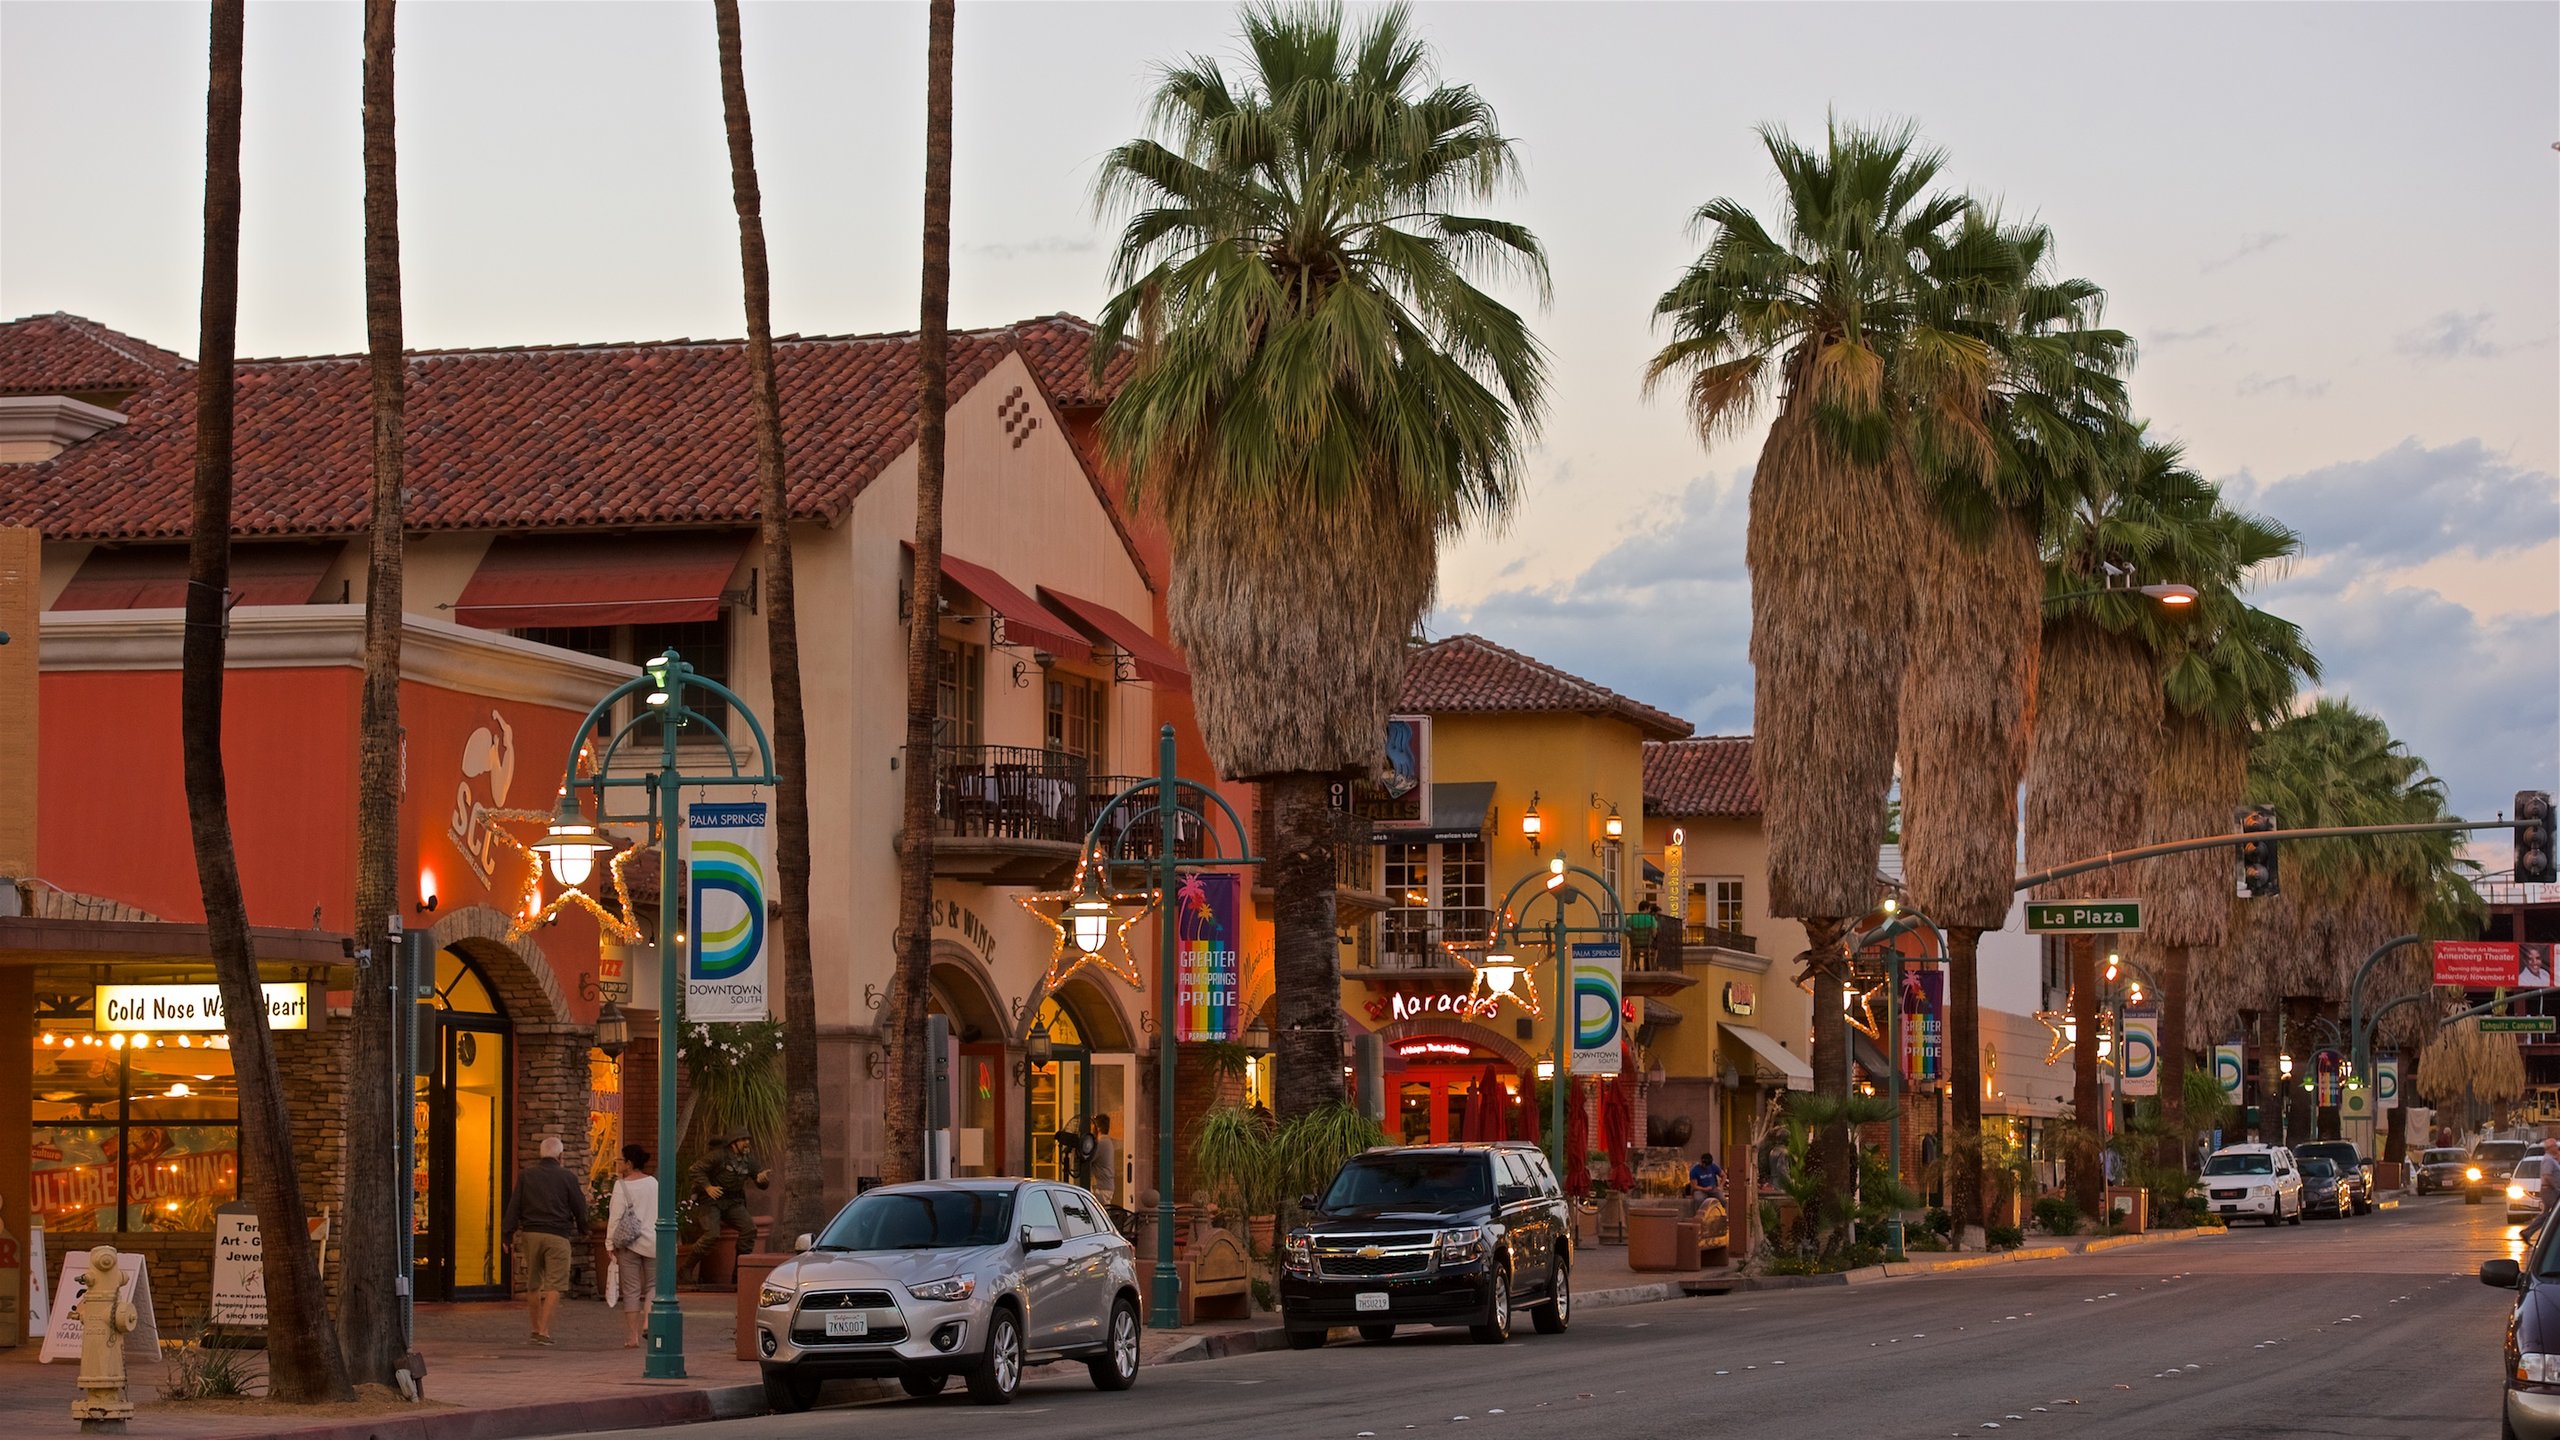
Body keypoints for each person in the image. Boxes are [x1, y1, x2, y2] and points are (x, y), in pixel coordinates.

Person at [501, 1134, 586, 1346]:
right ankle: (545, 1331)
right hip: (557, 1235)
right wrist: (584, 1229)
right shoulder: (568, 1177)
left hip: (531, 1234)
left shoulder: (526, 1176)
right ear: (561, 1155)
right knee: (554, 1284)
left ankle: (535, 1327)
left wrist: (507, 1234)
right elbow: (579, 1207)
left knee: (533, 1283)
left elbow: (514, 1205)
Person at [687, 1129, 770, 1274]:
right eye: (743, 1140)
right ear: (733, 1143)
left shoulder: (749, 1160)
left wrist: (761, 1180)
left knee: (749, 1230)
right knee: (711, 1235)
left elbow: (761, 1181)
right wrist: (708, 1187)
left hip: (733, 1202)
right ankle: (686, 1269)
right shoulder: (718, 1156)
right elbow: (695, 1169)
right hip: (711, 1201)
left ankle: (739, 1273)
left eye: (748, 1139)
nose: (747, 1143)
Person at [605, 1143, 657, 1350]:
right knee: (653, 1286)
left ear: (629, 1163)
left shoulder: (622, 1186)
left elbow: (615, 1217)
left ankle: (632, 1336)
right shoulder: (654, 1183)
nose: (619, 1163)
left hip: (629, 1243)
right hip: (654, 1241)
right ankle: (647, 1323)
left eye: (621, 1160)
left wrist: (609, 1243)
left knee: (631, 1290)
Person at [1086, 1114, 1121, 1207]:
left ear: (1097, 1128)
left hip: (1102, 1188)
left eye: (1092, 1126)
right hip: (1106, 1186)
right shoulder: (1107, 1142)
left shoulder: (1101, 1144)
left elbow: (1088, 1159)